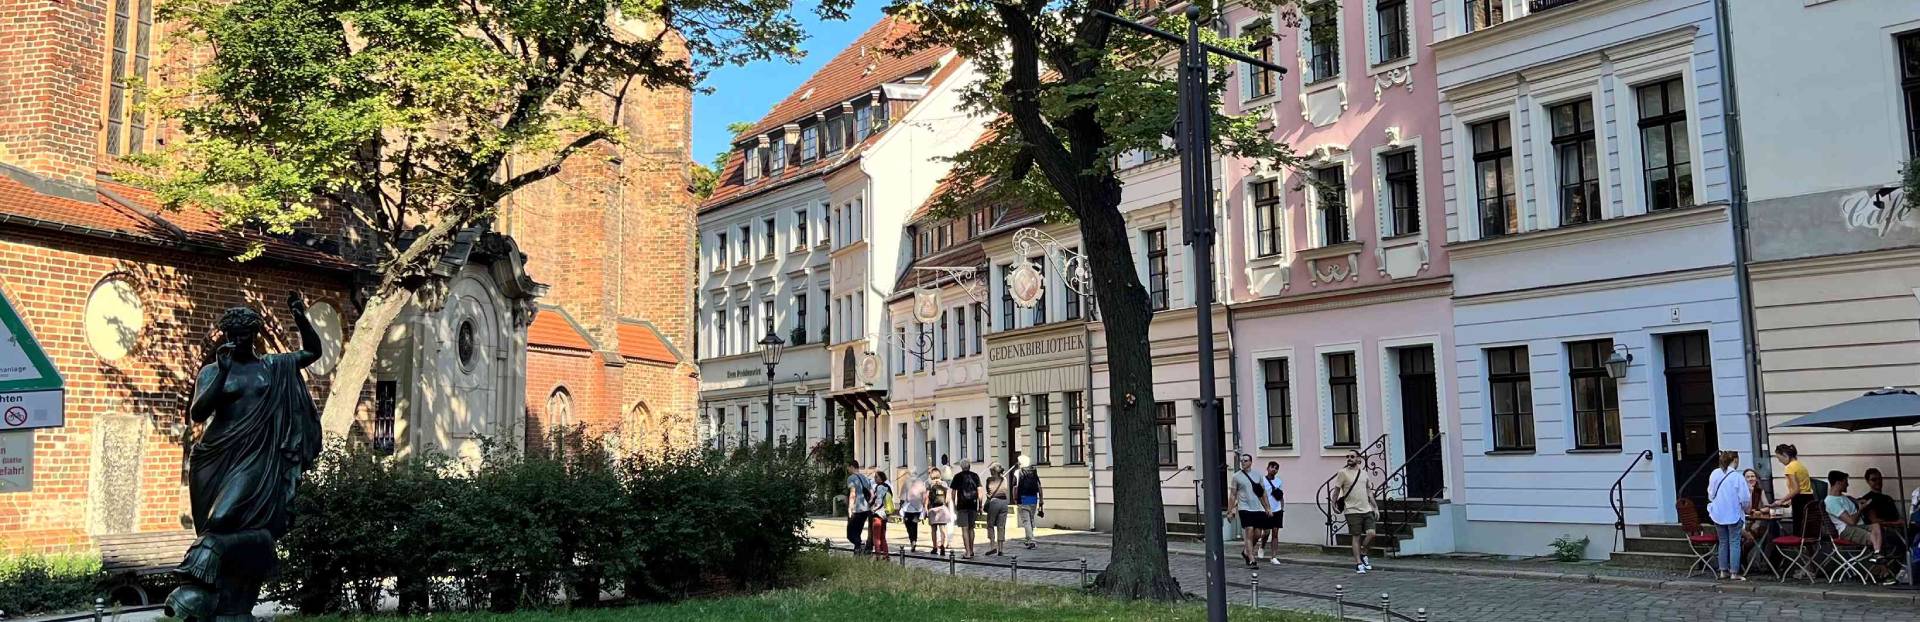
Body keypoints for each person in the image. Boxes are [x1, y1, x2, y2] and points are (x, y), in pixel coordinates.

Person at [1706, 451, 1750, 581]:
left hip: (1718, 513)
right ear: (1735, 460)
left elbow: (1710, 494)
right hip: (1734, 513)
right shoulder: (1737, 477)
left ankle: (1723, 571)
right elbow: (1745, 498)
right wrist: (1746, 508)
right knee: (1734, 542)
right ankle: (1734, 572)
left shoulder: (1715, 473)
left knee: (1723, 542)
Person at [1332, 451, 1376, 574]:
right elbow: (1336, 490)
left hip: (1366, 509)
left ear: (1358, 459)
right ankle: (1359, 563)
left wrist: (1375, 507)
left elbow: (1369, 491)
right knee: (1356, 536)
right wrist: (1333, 503)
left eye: (1352, 456)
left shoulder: (1364, 474)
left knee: (1371, 534)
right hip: (1351, 510)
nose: (1349, 459)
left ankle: (1363, 552)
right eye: (1348, 457)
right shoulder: (1343, 473)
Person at [1229, 453, 1272, 567]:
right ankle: (1251, 558)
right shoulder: (1236, 476)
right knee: (1249, 531)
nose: (1243, 462)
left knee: (1257, 534)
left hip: (1258, 508)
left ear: (1250, 462)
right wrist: (1230, 510)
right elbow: (1233, 495)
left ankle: (1245, 551)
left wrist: (1267, 507)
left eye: (1245, 460)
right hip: (1244, 508)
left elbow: (1263, 493)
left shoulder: (1258, 475)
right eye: (1242, 461)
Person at [1826, 470, 1885, 552]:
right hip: (1847, 530)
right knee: (1875, 537)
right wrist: (1860, 509)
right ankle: (1878, 555)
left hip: (1858, 526)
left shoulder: (1843, 497)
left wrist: (1859, 502)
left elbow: (1852, 503)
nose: (1847, 484)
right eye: (1845, 482)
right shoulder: (1831, 502)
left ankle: (1877, 554)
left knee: (1876, 526)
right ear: (1838, 483)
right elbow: (1851, 521)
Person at [1769, 444, 1815, 536]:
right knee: (1806, 530)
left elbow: (1796, 489)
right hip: (1809, 499)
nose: (1780, 461)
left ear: (1785, 455)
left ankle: (1799, 549)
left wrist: (1781, 501)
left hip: (1800, 501)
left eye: (1779, 458)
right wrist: (1790, 501)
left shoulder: (1789, 467)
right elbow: (1804, 488)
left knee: (1799, 530)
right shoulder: (1801, 465)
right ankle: (1808, 549)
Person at [951, 461, 984, 558]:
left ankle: (968, 552)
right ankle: (972, 550)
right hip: (973, 504)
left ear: (961, 467)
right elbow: (980, 491)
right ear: (969, 466)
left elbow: (953, 492)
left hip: (962, 505)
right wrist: (980, 505)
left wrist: (953, 504)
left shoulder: (957, 476)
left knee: (964, 529)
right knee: (971, 528)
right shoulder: (975, 476)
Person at [1012, 454, 1045, 549]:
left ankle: (1032, 541)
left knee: (1026, 521)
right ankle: (1028, 539)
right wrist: (1041, 499)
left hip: (1023, 499)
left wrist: (1015, 498)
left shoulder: (1017, 472)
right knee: (1030, 520)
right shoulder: (1033, 472)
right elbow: (1039, 486)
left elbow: (1015, 487)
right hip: (1033, 499)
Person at [845, 460, 873, 553]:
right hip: (866, 509)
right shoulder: (865, 478)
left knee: (850, 534)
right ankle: (858, 551)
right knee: (858, 531)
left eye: (848, 467)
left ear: (852, 467)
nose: (847, 469)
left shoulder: (851, 478)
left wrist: (850, 508)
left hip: (856, 509)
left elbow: (853, 493)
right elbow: (871, 494)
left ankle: (859, 546)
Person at [983, 463, 1011, 556]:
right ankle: (1001, 549)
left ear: (993, 471)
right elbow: (1005, 489)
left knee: (990, 524)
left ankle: (993, 546)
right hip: (1004, 503)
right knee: (1001, 526)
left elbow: (988, 491)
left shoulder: (989, 480)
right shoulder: (1004, 479)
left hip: (994, 502)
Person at [1263, 460, 1286, 564]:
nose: (1274, 469)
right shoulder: (1262, 481)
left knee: (1275, 533)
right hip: (1266, 510)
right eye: (1272, 467)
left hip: (1277, 510)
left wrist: (1282, 508)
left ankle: (1273, 557)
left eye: (1276, 468)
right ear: (1267, 468)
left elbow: (1281, 495)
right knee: (1266, 532)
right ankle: (1262, 546)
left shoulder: (1279, 481)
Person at [900, 468, 927, 553]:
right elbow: (924, 495)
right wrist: (924, 505)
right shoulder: (920, 482)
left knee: (908, 525)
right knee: (914, 526)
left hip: (908, 508)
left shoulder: (907, 482)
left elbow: (902, 495)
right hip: (917, 508)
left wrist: (901, 505)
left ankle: (912, 540)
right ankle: (914, 540)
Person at [927, 468, 952, 556]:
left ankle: (934, 547)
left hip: (933, 509)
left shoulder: (930, 484)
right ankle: (943, 546)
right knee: (943, 530)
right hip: (942, 509)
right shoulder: (944, 484)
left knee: (933, 530)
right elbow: (948, 498)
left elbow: (927, 498)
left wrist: (927, 509)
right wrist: (948, 508)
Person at [868, 470, 893, 556]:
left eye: (876, 477)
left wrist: (872, 509)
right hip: (885, 515)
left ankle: (878, 556)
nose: (874, 478)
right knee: (883, 537)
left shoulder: (880, 487)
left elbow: (878, 502)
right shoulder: (887, 487)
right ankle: (886, 556)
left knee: (876, 538)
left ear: (881, 478)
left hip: (878, 514)